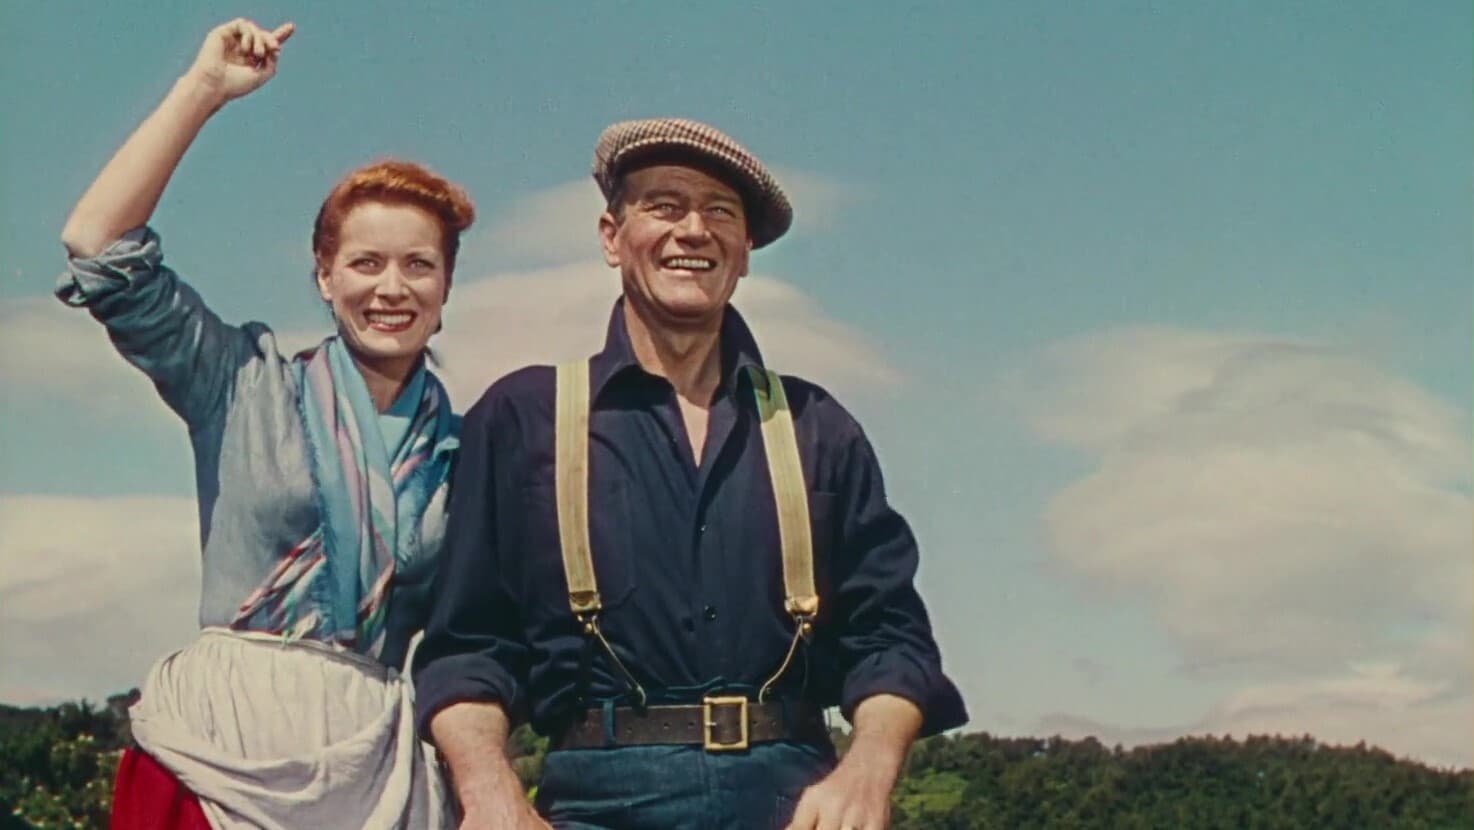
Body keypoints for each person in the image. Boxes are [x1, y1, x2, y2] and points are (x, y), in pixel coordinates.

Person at [413, 118, 967, 830]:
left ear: (745, 252)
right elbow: (469, 649)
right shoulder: (523, 420)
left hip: (792, 798)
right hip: (595, 800)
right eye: (665, 206)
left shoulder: (817, 426)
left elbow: (891, 640)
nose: (694, 231)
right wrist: (490, 795)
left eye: (720, 212)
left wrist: (866, 772)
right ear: (612, 236)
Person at [58, 18, 473, 829]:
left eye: (419, 265)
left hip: (368, 760)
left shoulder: (463, 451)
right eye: (365, 262)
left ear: (446, 286)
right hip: (218, 747)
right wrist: (204, 89)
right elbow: (96, 243)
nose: (391, 288)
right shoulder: (244, 383)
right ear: (324, 276)